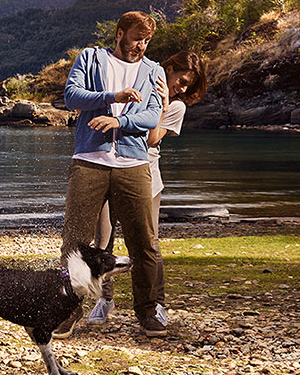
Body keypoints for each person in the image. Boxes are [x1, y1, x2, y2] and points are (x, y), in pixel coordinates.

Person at [53, 11, 167, 338]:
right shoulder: (90, 58)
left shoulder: (153, 71)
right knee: (75, 242)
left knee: (144, 242)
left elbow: (151, 115)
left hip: (133, 165)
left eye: (146, 41)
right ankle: (67, 310)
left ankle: (149, 311)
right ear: (119, 34)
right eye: (135, 39)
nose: (140, 46)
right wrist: (111, 98)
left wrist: (121, 122)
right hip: (89, 161)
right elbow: (71, 96)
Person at [86, 51, 209, 327]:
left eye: (188, 85)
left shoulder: (177, 106)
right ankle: (105, 299)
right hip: (108, 169)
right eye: (182, 80)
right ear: (170, 67)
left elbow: (152, 139)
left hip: (147, 177)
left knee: (147, 245)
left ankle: (156, 304)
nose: (183, 87)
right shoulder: (138, 83)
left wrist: (164, 105)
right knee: (102, 240)